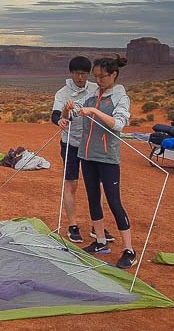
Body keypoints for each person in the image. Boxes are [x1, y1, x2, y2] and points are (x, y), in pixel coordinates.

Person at [69, 55, 136, 270]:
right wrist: (65, 113)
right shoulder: (92, 95)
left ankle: (129, 250)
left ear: (114, 75)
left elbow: (118, 124)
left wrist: (95, 111)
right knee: (92, 199)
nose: (98, 80)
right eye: (95, 76)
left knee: (114, 202)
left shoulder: (120, 97)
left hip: (107, 158)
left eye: (102, 76)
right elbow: (76, 113)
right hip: (87, 156)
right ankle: (100, 241)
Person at [52, 56, 115, 244]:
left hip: (91, 144)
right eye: (76, 73)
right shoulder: (62, 93)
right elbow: (55, 115)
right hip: (70, 144)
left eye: (83, 73)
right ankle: (73, 226)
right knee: (71, 184)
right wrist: (61, 119)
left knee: (97, 187)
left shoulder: (96, 89)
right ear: (71, 73)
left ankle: (98, 228)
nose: (80, 77)